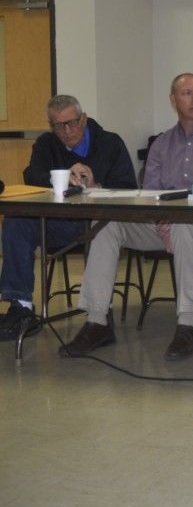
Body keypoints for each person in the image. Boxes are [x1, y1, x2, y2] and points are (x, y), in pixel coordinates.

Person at [65, 74, 193, 360]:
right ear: (173, 100)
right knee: (108, 225)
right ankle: (97, 321)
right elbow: (150, 196)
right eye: (187, 93)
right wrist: (162, 220)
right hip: (161, 223)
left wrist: (179, 216)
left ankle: (187, 323)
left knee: (185, 223)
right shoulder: (162, 144)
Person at [0, 95, 137, 342]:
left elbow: (129, 188)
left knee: (103, 229)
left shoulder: (110, 143)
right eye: (58, 125)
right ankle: (21, 306)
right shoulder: (46, 143)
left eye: (72, 123)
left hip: (101, 224)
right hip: (61, 222)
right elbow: (31, 175)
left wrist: (96, 185)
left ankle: (98, 316)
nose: (66, 131)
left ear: (83, 119)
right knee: (17, 218)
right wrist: (58, 179)